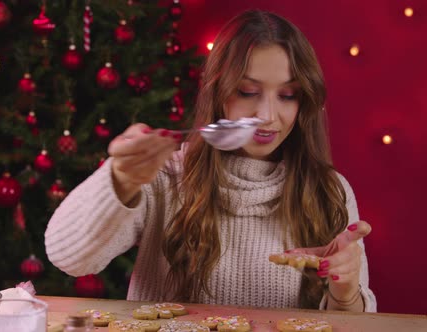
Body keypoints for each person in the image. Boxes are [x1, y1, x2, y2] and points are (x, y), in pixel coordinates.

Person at [45, 9, 377, 312]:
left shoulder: (329, 190)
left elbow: (352, 322)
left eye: (288, 95)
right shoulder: (166, 176)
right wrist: (120, 180)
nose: (267, 116)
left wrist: (345, 293)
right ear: (218, 93)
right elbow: (69, 258)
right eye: (248, 92)